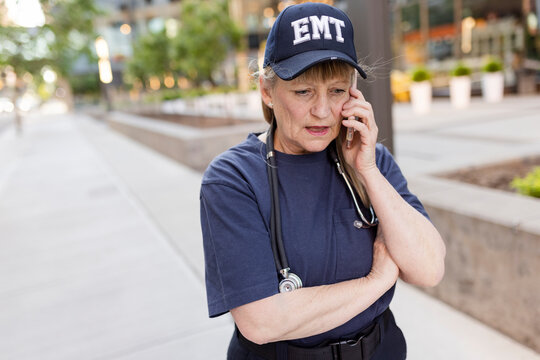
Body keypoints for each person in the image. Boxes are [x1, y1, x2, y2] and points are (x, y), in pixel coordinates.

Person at [200, 2, 446, 359]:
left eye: (337, 91)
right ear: (267, 91)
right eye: (303, 92)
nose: (323, 111)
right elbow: (262, 321)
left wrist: (368, 171)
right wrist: (375, 281)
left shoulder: (370, 159)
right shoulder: (233, 179)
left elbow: (428, 269)